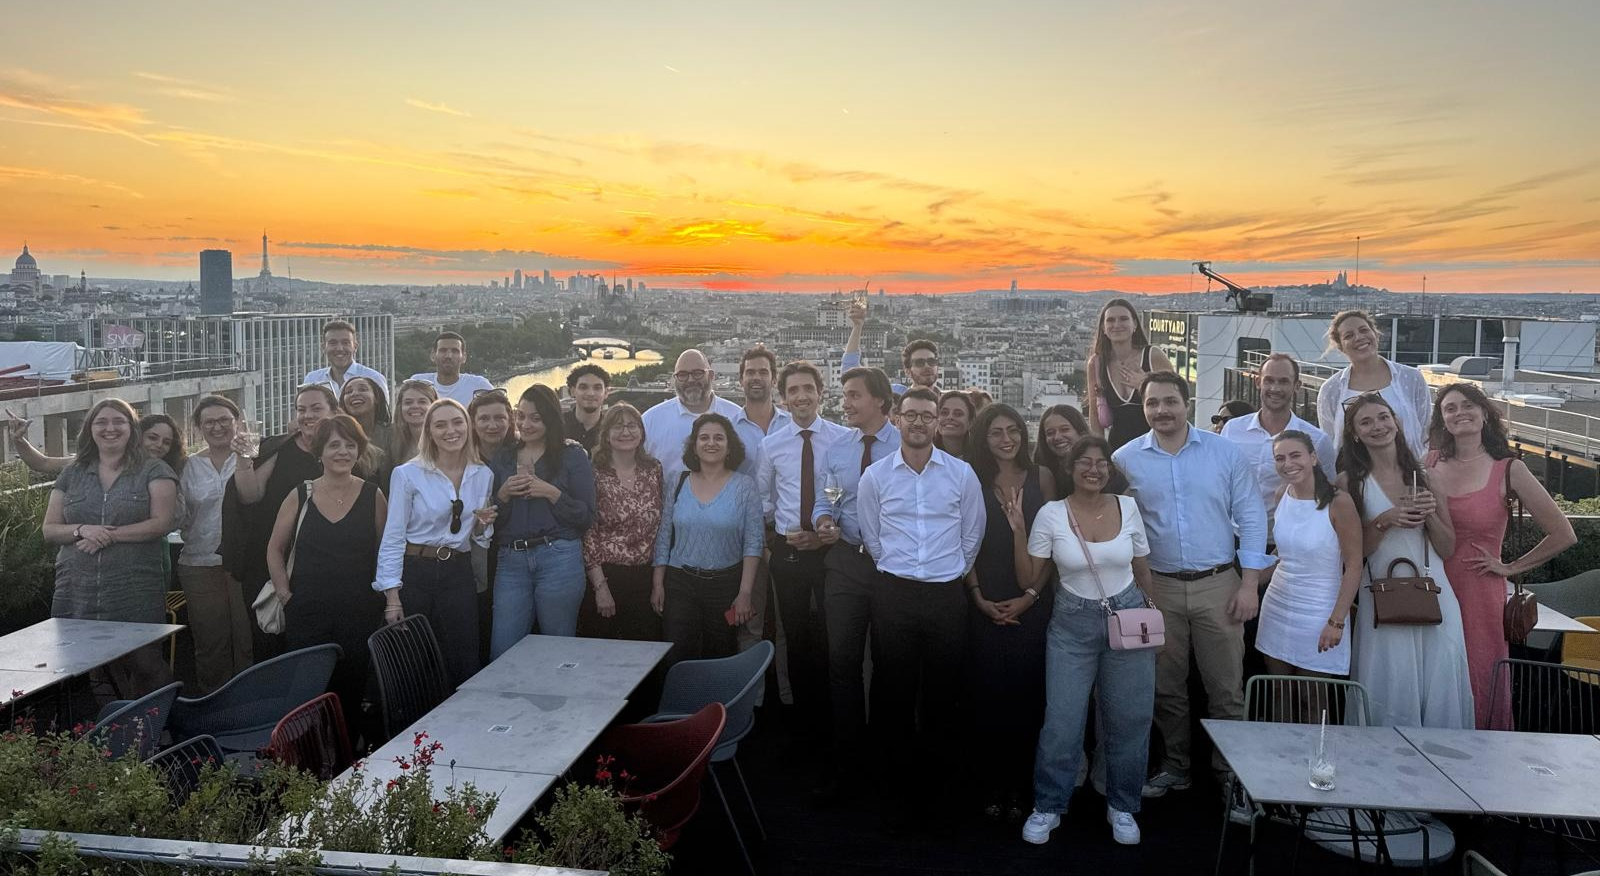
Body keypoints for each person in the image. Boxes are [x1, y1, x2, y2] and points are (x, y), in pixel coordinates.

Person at [1111, 372, 1269, 805]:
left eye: (1169, 401)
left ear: (1187, 403)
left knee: (1226, 690)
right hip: (1155, 588)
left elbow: (1252, 517)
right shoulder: (1126, 459)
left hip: (1218, 583)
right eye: (1152, 404)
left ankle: (1229, 776)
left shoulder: (1224, 453)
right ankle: (1176, 768)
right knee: (1165, 688)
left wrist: (1250, 584)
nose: (1161, 410)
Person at [1008, 436, 1154, 848]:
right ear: (1069, 469)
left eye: (1101, 462)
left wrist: (1154, 620)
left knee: (1129, 718)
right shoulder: (1052, 514)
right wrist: (1018, 529)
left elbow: (1142, 568)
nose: (1094, 468)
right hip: (1072, 623)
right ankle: (1050, 804)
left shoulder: (1128, 507)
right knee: (1062, 721)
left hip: (1127, 616)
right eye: (1084, 462)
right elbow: (1027, 579)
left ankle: (1122, 804)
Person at [857, 387, 985, 825]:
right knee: (893, 693)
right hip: (893, 593)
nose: (917, 422)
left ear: (937, 423)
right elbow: (871, 538)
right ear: (896, 418)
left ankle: (939, 796)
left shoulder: (962, 474)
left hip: (946, 595)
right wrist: (901, 569)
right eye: (909, 414)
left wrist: (947, 572)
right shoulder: (875, 476)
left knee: (943, 696)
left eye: (926, 416)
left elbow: (972, 536)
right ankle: (893, 794)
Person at [1427, 382, 1575, 729]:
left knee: (1478, 674)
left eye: (1467, 405)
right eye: (1450, 408)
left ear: (1484, 413)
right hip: (1431, 587)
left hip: (1479, 593)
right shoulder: (1429, 462)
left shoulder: (1509, 469)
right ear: (1442, 420)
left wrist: (1510, 567)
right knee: (1435, 675)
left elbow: (1563, 533)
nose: (1459, 412)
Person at [1337, 392, 1474, 728]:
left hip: (1433, 591)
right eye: (1366, 421)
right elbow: (1353, 554)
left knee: (1439, 684)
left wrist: (1427, 515)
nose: (1377, 426)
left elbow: (1447, 547)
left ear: (1396, 422)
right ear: (1355, 433)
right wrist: (1386, 519)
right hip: (1381, 593)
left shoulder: (1427, 476)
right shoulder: (1347, 483)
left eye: (1383, 417)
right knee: (1390, 681)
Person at [41, 399, 178, 697]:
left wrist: (108, 535)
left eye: (119, 421)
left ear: (132, 429)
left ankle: (158, 725)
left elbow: (162, 523)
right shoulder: (72, 472)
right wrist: (82, 530)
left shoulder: (155, 470)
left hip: (134, 586)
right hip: (78, 586)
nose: (110, 428)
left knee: (145, 662)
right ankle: (112, 733)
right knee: (96, 666)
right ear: (90, 429)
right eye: (101, 422)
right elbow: (50, 529)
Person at [266, 415, 387, 733]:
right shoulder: (299, 495)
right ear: (319, 452)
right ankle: (305, 767)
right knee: (305, 697)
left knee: (350, 693)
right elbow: (275, 549)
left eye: (350, 445)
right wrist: (285, 595)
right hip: (306, 612)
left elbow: (385, 553)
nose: (343, 452)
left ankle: (345, 768)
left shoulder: (373, 495)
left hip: (358, 612)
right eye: (334, 445)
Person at [965, 403, 1055, 821]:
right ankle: (989, 784)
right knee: (986, 700)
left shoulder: (1043, 478)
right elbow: (963, 544)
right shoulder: (971, 479)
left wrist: (1032, 596)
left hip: (1033, 599)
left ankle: (1021, 786)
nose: (1007, 439)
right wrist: (979, 597)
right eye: (996, 432)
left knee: (1026, 698)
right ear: (983, 439)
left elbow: (1056, 543)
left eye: (1013, 430)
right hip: (981, 599)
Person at [812, 366, 899, 802]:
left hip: (892, 567)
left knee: (888, 668)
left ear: (880, 402)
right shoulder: (838, 448)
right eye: (845, 395)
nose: (844, 403)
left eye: (853, 396)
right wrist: (824, 519)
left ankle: (882, 761)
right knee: (842, 664)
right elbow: (824, 499)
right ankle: (847, 761)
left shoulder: (907, 446)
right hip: (846, 560)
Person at [757, 361, 851, 748]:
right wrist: (780, 532)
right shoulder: (771, 445)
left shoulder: (843, 439)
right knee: (793, 633)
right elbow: (764, 497)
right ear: (783, 398)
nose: (801, 397)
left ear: (820, 392)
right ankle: (802, 720)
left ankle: (834, 717)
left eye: (807, 389)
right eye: (793, 390)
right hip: (790, 549)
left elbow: (846, 492)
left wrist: (826, 529)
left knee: (835, 633)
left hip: (831, 546)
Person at [375, 399, 496, 686]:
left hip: (458, 571)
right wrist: (392, 596)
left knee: (463, 657)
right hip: (417, 571)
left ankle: (460, 726)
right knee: (412, 660)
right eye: (440, 425)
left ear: (468, 426)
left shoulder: (483, 474)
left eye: (457, 422)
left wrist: (482, 526)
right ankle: (416, 729)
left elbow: (478, 537)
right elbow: (393, 536)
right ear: (428, 432)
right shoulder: (408, 474)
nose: (450, 431)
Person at [225, 384, 351, 659]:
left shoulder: (349, 451)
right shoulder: (278, 448)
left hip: (328, 568)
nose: (308, 415)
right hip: (272, 562)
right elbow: (249, 496)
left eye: (316, 408)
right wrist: (243, 459)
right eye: (301, 409)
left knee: (322, 650)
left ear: (335, 411)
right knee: (271, 646)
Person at [488, 385, 596, 657]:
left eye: (535, 418)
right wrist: (502, 495)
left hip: (558, 557)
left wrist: (553, 494)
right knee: (503, 650)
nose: (526, 424)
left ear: (550, 418)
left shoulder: (572, 455)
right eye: (521, 416)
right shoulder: (503, 458)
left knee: (557, 649)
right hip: (511, 560)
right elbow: (491, 522)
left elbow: (586, 516)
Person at [651, 413, 764, 663]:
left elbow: (753, 543)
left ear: (729, 446)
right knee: (677, 655)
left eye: (718, 438)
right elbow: (664, 535)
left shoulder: (745, 486)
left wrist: (745, 593)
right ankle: (681, 703)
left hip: (725, 586)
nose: (711, 443)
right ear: (694, 445)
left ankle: (716, 704)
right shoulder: (677, 481)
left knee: (720, 655)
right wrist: (658, 583)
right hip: (680, 583)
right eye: (703, 438)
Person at [1254, 431, 1363, 688]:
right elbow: (1281, 554)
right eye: (1280, 458)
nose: (1288, 464)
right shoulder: (1281, 494)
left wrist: (1336, 621)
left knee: (1313, 700)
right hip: (1277, 607)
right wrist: (1249, 583)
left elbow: (1354, 565)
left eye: (1295, 455)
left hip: (1321, 611)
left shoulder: (1339, 502)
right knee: (1278, 692)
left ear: (1313, 458)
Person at [176, 395, 253, 695]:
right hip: (199, 562)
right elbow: (178, 514)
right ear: (198, 428)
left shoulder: (251, 456)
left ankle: (249, 702)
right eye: (210, 422)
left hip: (244, 563)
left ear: (237, 423)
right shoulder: (187, 467)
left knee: (247, 636)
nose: (218, 426)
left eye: (224, 420)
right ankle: (215, 702)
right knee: (210, 641)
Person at [1220, 354, 1337, 533]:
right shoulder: (1232, 429)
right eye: (1269, 381)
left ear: (1296, 386)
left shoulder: (1317, 440)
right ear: (1258, 382)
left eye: (1283, 381)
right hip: (1232, 537)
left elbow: (1329, 493)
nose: (1275, 388)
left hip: (1284, 542)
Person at [579, 403, 665, 642]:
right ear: (606, 434)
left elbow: (661, 525)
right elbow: (589, 532)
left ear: (642, 432)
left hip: (646, 576)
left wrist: (658, 580)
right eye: (618, 427)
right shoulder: (594, 472)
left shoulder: (654, 470)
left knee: (646, 649)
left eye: (631, 426)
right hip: (607, 576)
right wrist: (600, 587)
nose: (625, 432)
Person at [728, 345, 790, 653]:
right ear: (740, 379)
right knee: (748, 617)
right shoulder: (726, 430)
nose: (756, 378)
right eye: (750, 372)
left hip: (785, 533)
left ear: (774, 379)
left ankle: (786, 696)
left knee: (787, 620)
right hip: (743, 535)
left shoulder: (793, 426)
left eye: (763, 372)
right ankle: (752, 697)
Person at [1316, 310, 1432, 458]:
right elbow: (1330, 444)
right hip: (1352, 477)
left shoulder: (1411, 378)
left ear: (1375, 334)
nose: (1359, 337)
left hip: (1408, 475)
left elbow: (1426, 431)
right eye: (1349, 336)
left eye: (1364, 330)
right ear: (1341, 347)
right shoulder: (1330, 390)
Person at [642, 349, 749, 481]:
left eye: (697, 373)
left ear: (711, 376)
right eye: (683, 375)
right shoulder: (650, 421)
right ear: (674, 379)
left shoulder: (737, 416)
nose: (690, 380)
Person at [1086, 298, 1174, 454]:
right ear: (1103, 328)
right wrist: (1100, 453)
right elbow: (1094, 416)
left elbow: (1175, 400)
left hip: (1156, 448)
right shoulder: (1097, 363)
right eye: (1110, 320)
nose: (1117, 325)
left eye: (1124, 319)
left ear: (1134, 325)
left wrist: (1146, 387)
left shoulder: (1153, 356)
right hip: (1118, 450)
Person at [468, 388, 516, 662]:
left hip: (512, 551)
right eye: (484, 418)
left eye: (499, 418)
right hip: (477, 557)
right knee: (482, 621)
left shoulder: (521, 455)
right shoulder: (463, 460)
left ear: (510, 420)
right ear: (473, 422)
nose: (492, 425)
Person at [840, 301, 942, 394]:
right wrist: (858, 326)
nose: (927, 366)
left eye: (932, 361)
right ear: (907, 371)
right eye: (920, 363)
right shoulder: (894, 394)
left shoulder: (949, 405)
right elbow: (850, 373)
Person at [304, 319, 389, 402]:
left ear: (355, 347)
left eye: (346, 342)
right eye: (333, 343)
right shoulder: (312, 379)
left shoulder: (374, 378)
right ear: (323, 348)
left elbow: (384, 414)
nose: (339, 348)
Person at [407, 331, 494, 407]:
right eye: (443, 350)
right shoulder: (419, 383)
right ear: (433, 355)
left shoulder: (479, 385)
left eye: (455, 351)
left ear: (464, 357)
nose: (448, 356)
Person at [339, 375, 392, 484]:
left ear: (376, 397)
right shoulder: (337, 435)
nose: (355, 394)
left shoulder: (393, 434)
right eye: (348, 392)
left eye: (363, 389)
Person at [387, 379, 438, 479]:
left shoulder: (444, 441)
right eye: (408, 402)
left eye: (422, 402)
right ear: (400, 407)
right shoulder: (393, 443)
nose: (415, 406)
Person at [563, 364, 610, 452]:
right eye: (583, 387)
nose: (590, 393)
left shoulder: (611, 429)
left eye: (597, 388)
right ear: (572, 391)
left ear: (606, 392)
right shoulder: (556, 427)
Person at [934, 389, 975, 460]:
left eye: (958, 414)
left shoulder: (980, 458)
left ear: (970, 422)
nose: (950, 417)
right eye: (944, 413)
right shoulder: (925, 454)